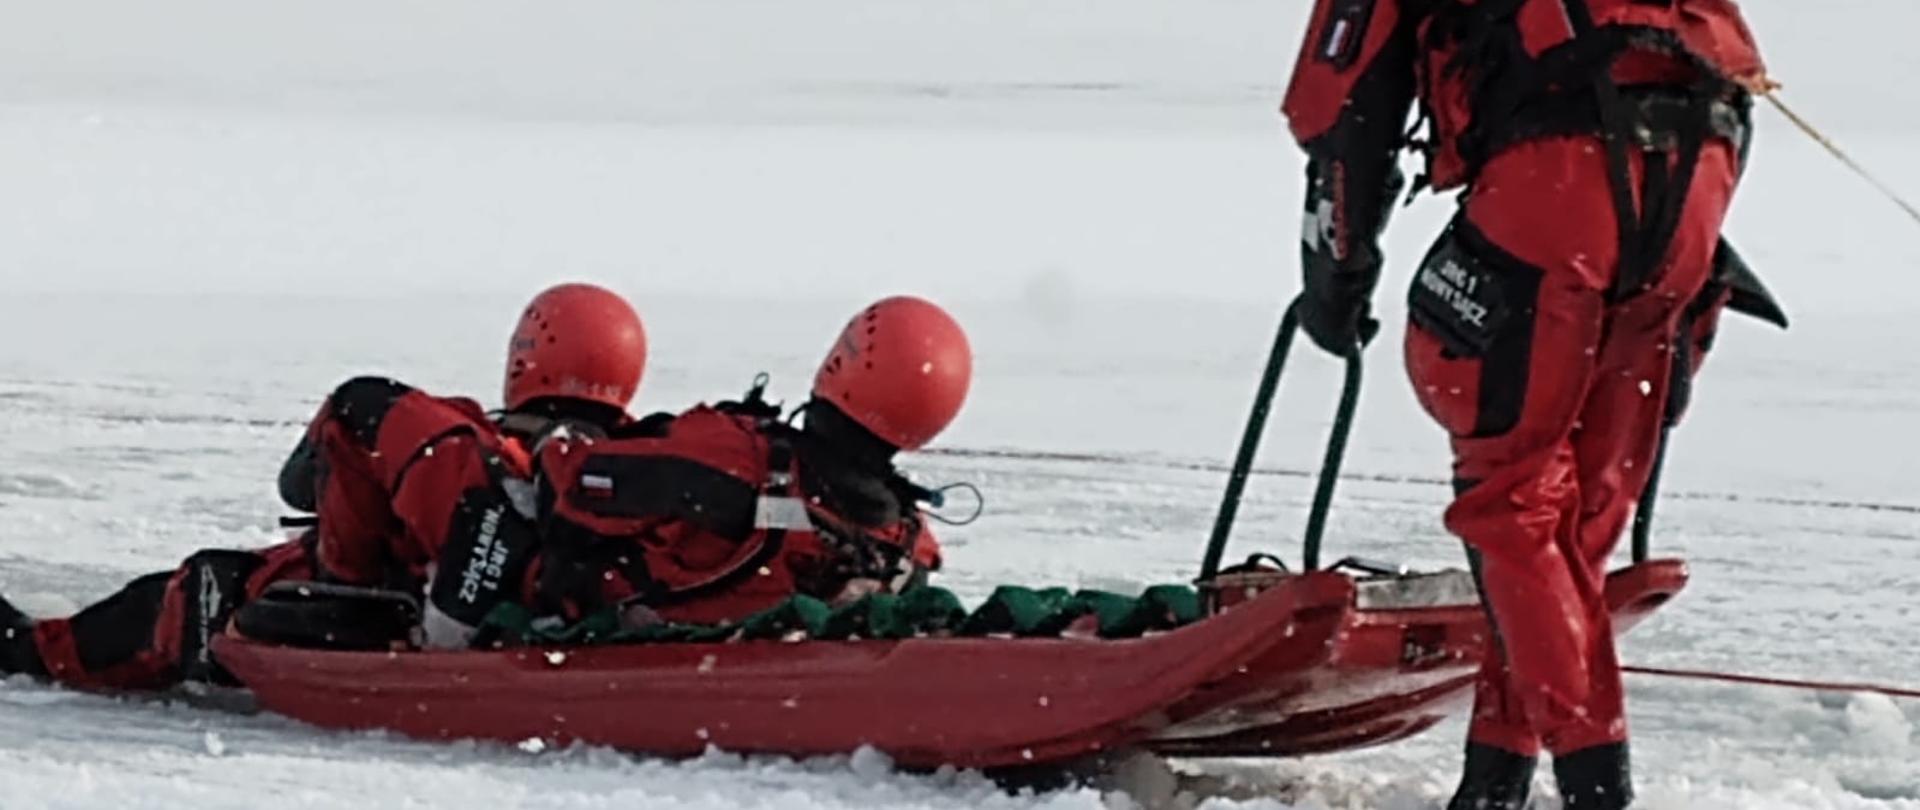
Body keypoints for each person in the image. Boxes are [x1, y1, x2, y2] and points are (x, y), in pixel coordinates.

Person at [1280, 2, 1776, 807]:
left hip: (1565, 184)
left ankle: (1595, 786)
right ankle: (1494, 778)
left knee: (1513, 501)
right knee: (1576, 522)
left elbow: (1344, 111)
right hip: (1696, 176)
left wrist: (1336, 276)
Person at [0, 282, 648, 688]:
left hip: (377, 587)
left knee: (199, 592)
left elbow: (299, 488)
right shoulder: (626, 464)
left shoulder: (470, 439)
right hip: (560, 598)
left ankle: (30, 652)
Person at [529, 295, 968, 629]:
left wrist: (551, 444)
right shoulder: (910, 544)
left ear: (843, 361)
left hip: (639, 655)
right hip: (801, 675)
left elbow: (572, 489)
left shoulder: (726, 456)